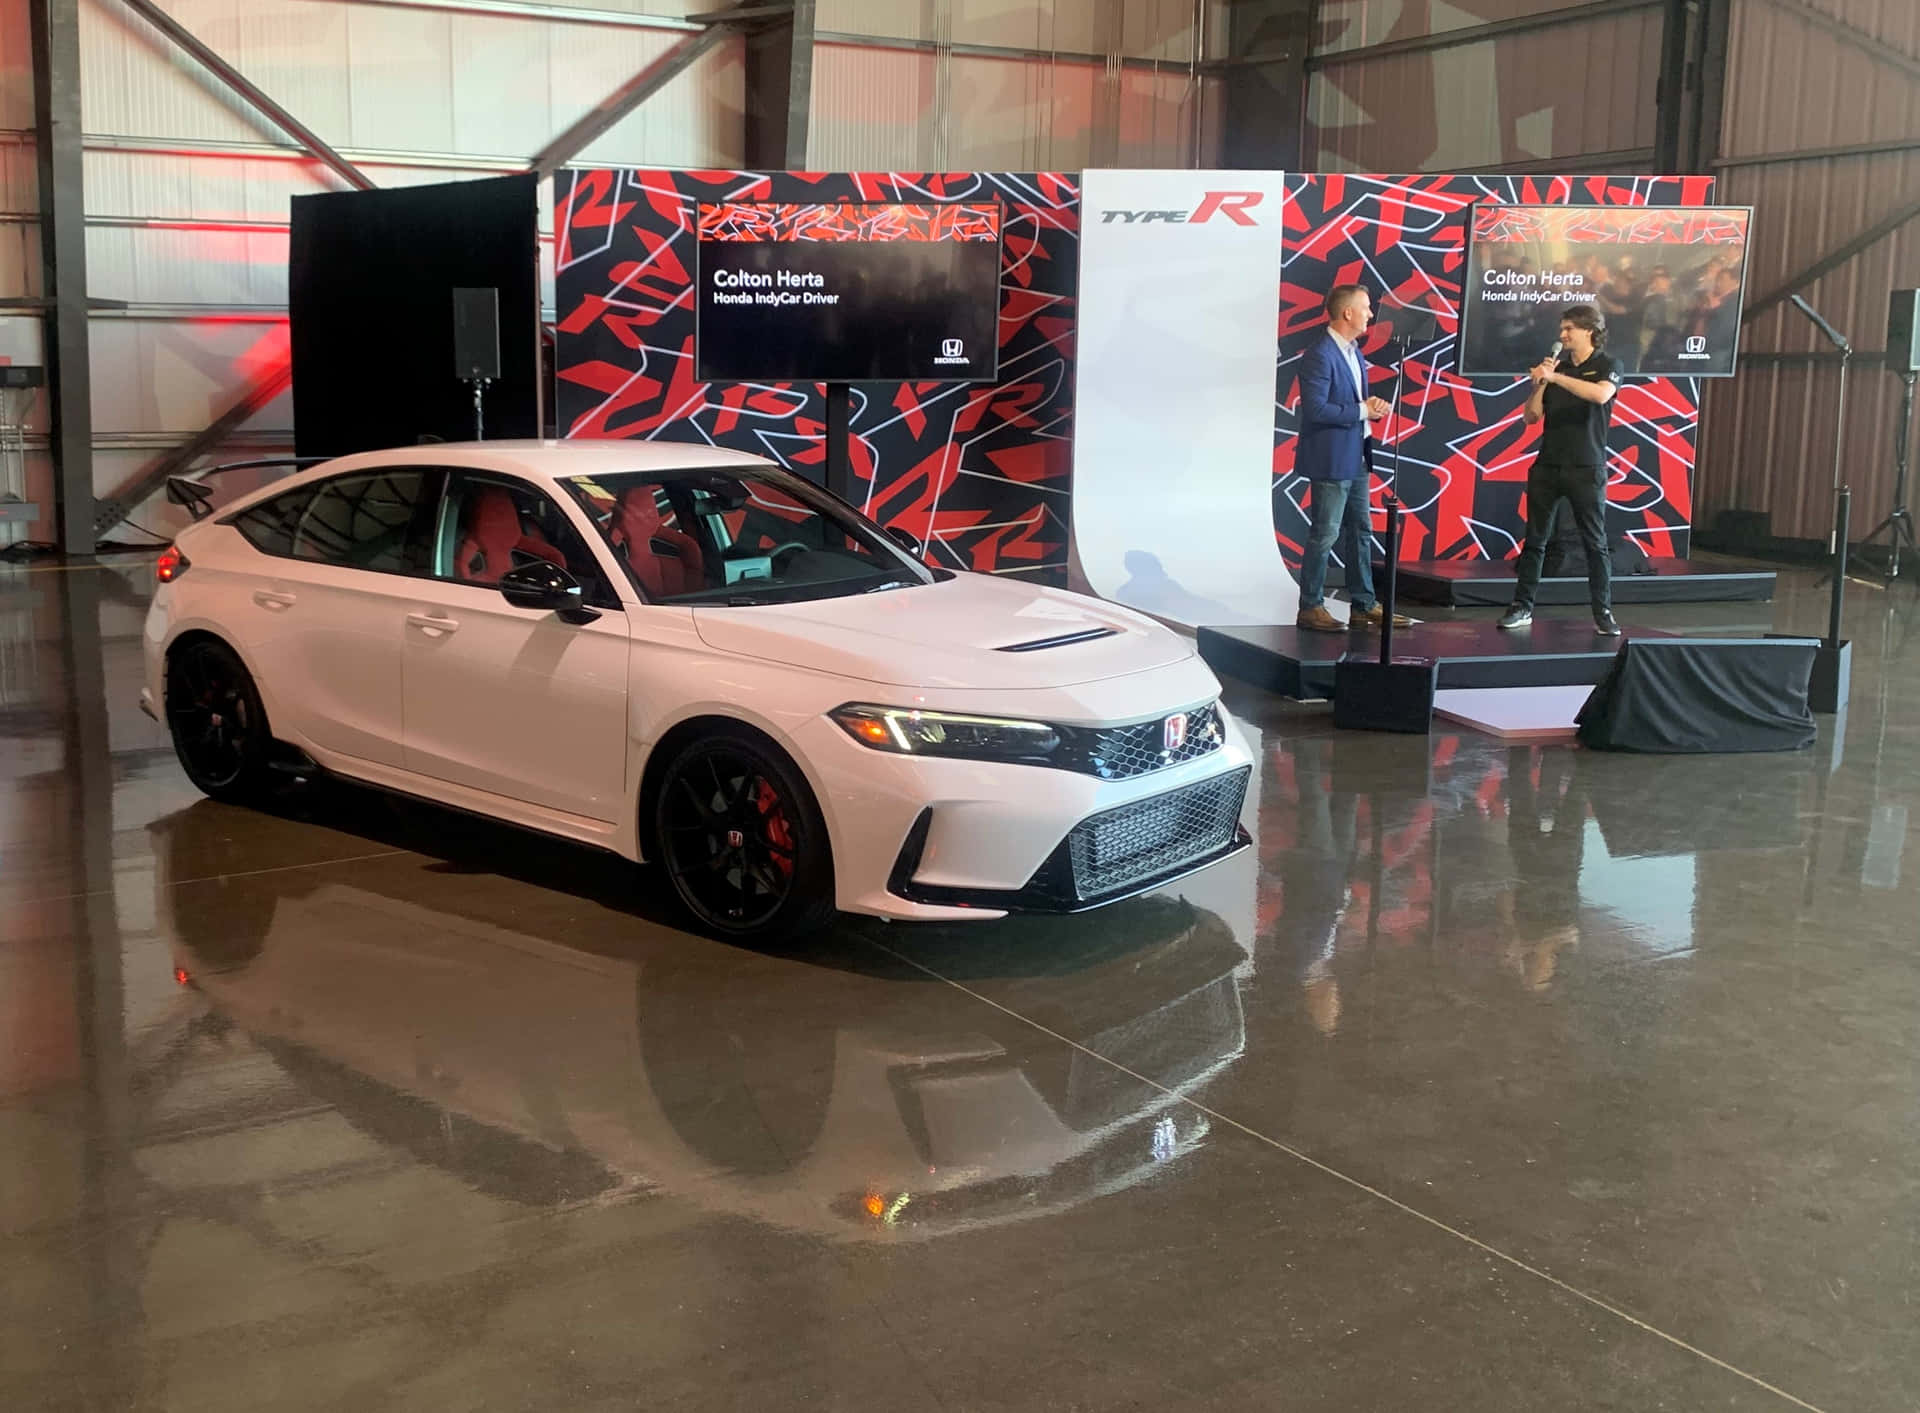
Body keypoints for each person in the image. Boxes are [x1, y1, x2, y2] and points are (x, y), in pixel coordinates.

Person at [1498, 304, 1622, 636]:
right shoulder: (1558, 369)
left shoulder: (1608, 365)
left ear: (1590, 331)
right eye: (1562, 329)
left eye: (1569, 329)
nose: (1562, 335)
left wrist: (1556, 377)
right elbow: (1531, 417)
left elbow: (1599, 395)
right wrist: (1539, 383)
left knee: (1594, 543)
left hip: (1586, 467)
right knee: (1535, 541)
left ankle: (1603, 612)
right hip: (1548, 466)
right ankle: (1522, 607)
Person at [1295, 284, 1410, 632]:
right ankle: (1310, 606)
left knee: (1361, 530)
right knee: (1325, 533)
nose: (1371, 314)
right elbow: (1315, 409)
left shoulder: (1352, 352)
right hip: (1331, 459)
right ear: (1347, 313)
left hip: (1357, 456)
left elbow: (1350, 401)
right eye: (1365, 308)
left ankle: (1363, 604)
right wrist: (1362, 409)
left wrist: (1370, 407)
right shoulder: (1320, 354)